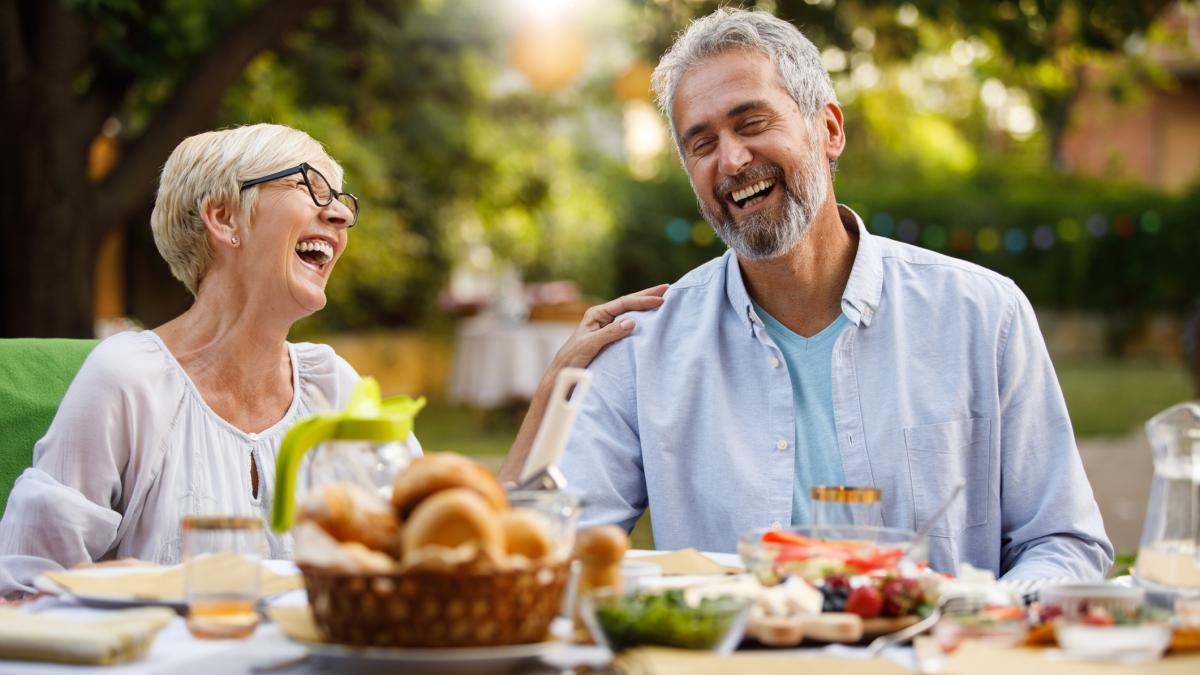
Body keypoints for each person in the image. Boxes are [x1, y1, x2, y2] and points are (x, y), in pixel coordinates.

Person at [547, 9, 1112, 580]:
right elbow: (540, 556)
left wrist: (979, 620)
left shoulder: (984, 316)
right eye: (702, 143)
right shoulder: (642, 350)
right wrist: (551, 396)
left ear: (829, 129)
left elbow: (1063, 542)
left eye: (752, 123)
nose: (733, 160)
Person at [0, 123, 664, 597]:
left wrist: (557, 380)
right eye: (312, 187)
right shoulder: (129, 382)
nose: (339, 217)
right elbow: (23, 586)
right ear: (224, 218)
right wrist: (158, 586)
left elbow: (437, 533)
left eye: (342, 201)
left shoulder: (332, 384)